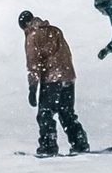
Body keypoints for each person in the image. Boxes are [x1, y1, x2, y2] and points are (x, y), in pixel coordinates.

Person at [18, 10, 90, 156]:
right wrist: (66, 74)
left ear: (25, 25)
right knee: (67, 112)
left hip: (51, 80)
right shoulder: (55, 30)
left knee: (45, 114)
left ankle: (48, 145)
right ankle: (79, 142)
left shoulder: (32, 35)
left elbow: (33, 63)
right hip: (68, 77)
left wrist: (33, 87)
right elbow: (67, 53)